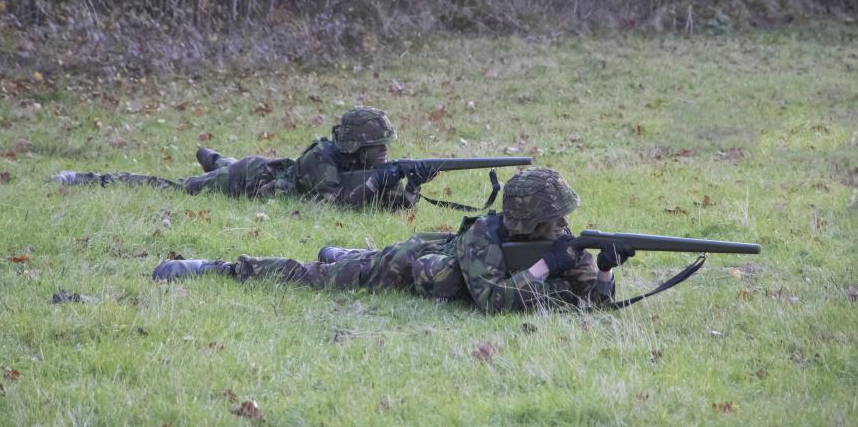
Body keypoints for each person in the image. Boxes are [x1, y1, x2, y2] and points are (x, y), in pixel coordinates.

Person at [152, 168, 634, 312]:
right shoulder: (483, 238)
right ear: (531, 220)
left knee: (346, 262)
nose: (563, 228)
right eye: (554, 220)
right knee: (320, 276)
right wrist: (547, 266)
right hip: (405, 265)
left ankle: (347, 253)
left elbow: (589, 301)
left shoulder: (557, 242)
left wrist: (607, 271)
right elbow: (493, 300)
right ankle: (217, 268)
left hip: (439, 260)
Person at [51, 106, 437, 210]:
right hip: (253, 179)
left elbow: (378, 206)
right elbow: (334, 203)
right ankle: (87, 178)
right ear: (357, 145)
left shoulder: (364, 166)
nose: (385, 153)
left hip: (276, 174)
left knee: (217, 166)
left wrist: (411, 188)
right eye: (378, 147)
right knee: (178, 189)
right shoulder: (323, 157)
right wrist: (381, 181)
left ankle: (216, 159)